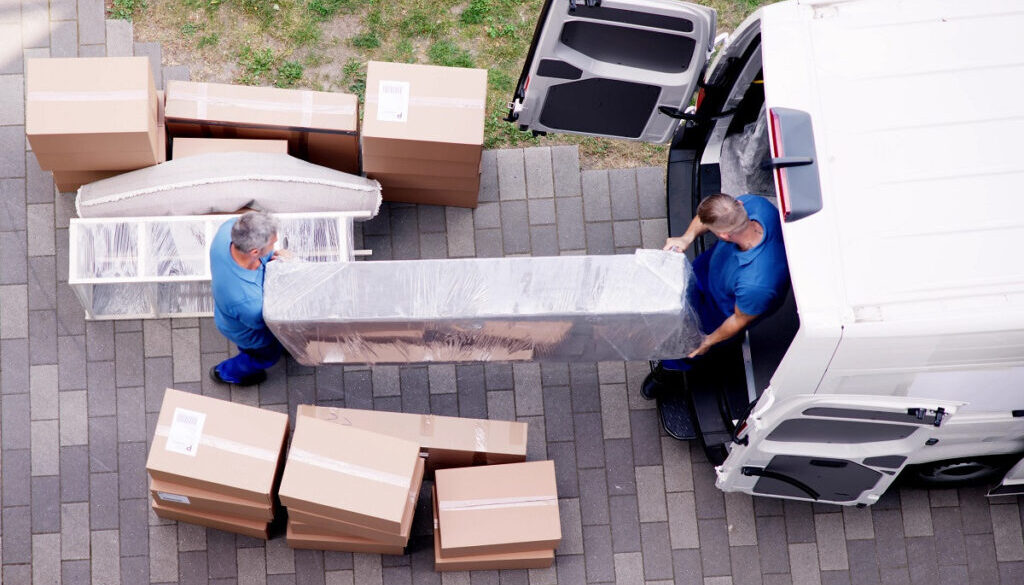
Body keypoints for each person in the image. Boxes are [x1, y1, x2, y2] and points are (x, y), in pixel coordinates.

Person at [642, 192, 789, 398]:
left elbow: (738, 320)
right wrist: (687, 237)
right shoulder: (752, 204)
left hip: (720, 311)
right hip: (709, 271)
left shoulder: (758, 284)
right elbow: (705, 218)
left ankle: (670, 371)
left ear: (724, 236)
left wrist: (708, 341)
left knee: (686, 343)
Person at [208, 211, 288, 386]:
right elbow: (268, 324)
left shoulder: (228, 230)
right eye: (272, 244)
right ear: (254, 251)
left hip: (228, 314)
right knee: (264, 357)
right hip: (250, 335)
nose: (275, 246)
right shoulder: (250, 303)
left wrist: (275, 257)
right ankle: (228, 373)